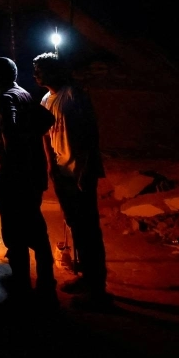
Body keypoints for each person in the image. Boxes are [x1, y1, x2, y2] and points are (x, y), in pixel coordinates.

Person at [34, 52, 111, 310]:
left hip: (79, 173)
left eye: (40, 70)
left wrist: (84, 171)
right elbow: (45, 135)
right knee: (76, 227)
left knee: (88, 230)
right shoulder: (46, 100)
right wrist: (51, 167)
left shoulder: (74, 96)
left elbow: (91, 135)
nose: (36, 75)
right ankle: (87, 279)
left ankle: (98, 289)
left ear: (54, 71)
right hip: (62, 173)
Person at [0, 56, 58, 308]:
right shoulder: (26, 94)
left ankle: (22, 290)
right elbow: (47, 121)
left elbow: (10, 132)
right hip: (33, 173)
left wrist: (8, 155)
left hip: (16, 176)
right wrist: (30, 141)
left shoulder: (7, 98)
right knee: (36, 230)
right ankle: (46, 284)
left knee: (16, 235)